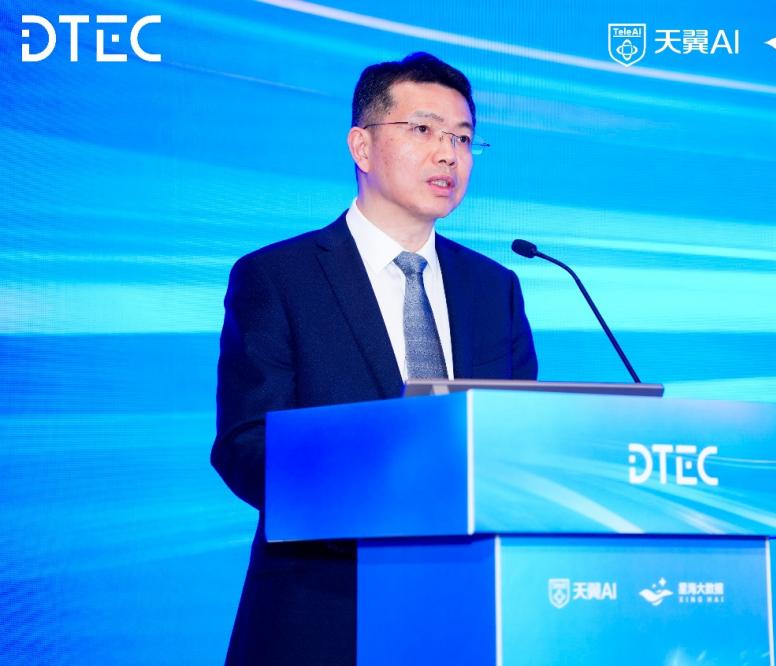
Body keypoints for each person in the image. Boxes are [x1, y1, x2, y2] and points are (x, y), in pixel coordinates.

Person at [211, 52, 538, 664]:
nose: (448, 154)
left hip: (470, 613)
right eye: (424, 130)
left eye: (462, 138)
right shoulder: (279, 277)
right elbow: (246, 445)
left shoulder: (495, 288)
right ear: (361, 146)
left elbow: (519, 437)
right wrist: (384, 494)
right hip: (324, 613)